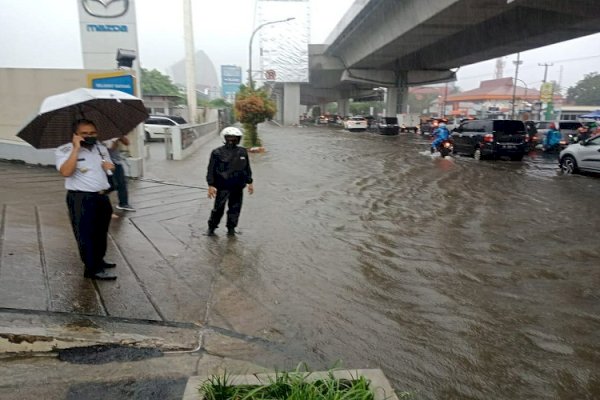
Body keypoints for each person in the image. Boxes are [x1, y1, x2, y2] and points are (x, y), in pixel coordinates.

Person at [55, 119, 117, 280]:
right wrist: (76, 148)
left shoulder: (100, 147)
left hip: (102, 196)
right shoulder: (65, 150)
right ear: (75, 135)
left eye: (92, 133)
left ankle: (99, 260)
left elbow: (110, 166)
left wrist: (110, 167)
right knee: (86, 234)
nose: (90, 136)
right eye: (85, 133)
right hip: (81, 198)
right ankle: (91, 268)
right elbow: (66, 172)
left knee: (101, 232)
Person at [206, 127, 254, 236]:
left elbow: (246, 168)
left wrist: (250, 182)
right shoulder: (217, 152)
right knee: (218, 209)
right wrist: (210, 185)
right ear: (224, 138)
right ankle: (212, 228)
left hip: (238, 187)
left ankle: (231, 229)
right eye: (229, 137)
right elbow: (211, 170)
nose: (232, 139)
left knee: (235, 209)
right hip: (223, 187)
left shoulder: (242, 151)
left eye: (235, 137)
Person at [104, 134, 135, 212]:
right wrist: (115, 140)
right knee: (110, 185)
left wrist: (120, 136)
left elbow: (127, 142)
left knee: (122, 182)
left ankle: (124, 203)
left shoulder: (115, 132)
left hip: (116, 162)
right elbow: (110, 148)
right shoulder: (100, 134)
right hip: (104, 163)